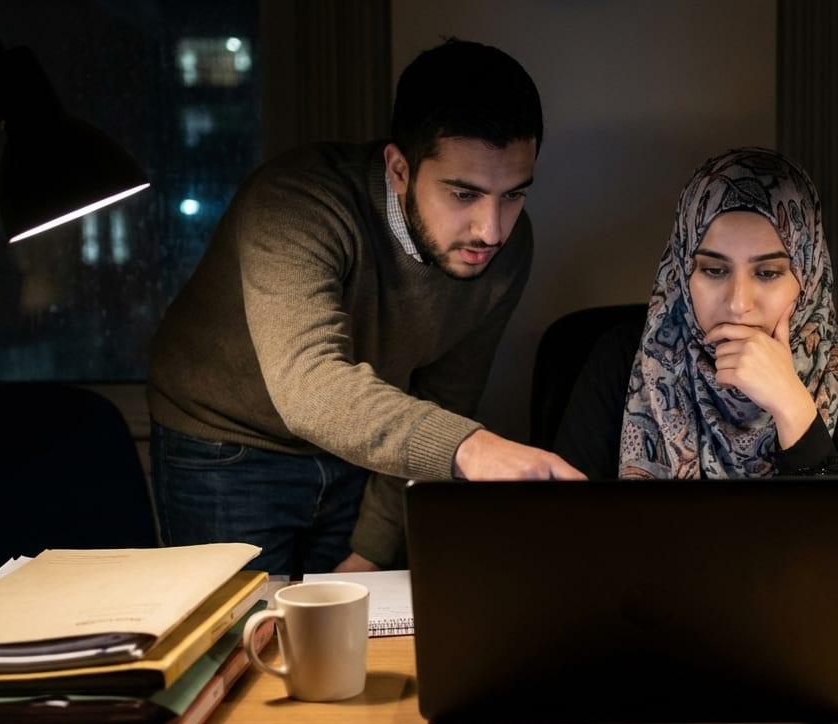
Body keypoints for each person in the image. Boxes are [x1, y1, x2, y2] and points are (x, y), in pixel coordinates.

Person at [147, 39, 581, 577]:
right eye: (464, 195)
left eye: (514, 195)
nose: (491, 231)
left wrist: (372, 551)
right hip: (227, 444)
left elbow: (445, 395)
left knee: (360, 644)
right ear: (399, 169)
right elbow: (312, 388)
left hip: (371, 447)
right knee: (238, 645)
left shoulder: (508, 246)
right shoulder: (296, 201)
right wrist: (471, 449)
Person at [553, 147, 838, 564]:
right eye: (714, 270)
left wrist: (792, 405)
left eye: (767, 273)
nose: (738, 304)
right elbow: (565, 533)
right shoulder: (622, 356)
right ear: (682, 272)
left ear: (807, 273)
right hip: (641, 613)